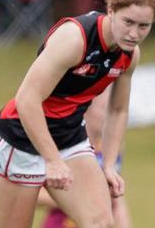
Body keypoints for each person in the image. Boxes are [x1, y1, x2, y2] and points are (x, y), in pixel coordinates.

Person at [0, 0, 155, 228]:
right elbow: (27, 99)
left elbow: (118, 109)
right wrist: (52, 160)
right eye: (128, 22)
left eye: (144, 26)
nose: (134, 33)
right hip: (19, 138)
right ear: (111, 11)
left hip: (68, 136)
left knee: (101, 224)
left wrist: (110, 165)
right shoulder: (75, 38)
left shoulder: (129, 56)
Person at [37, 86, 132, 228]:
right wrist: (84, 200)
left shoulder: (113, 150)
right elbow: (37, 195)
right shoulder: (60, 146)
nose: (107, 117)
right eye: (103, 109)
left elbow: (116, 201)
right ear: (86, 109)